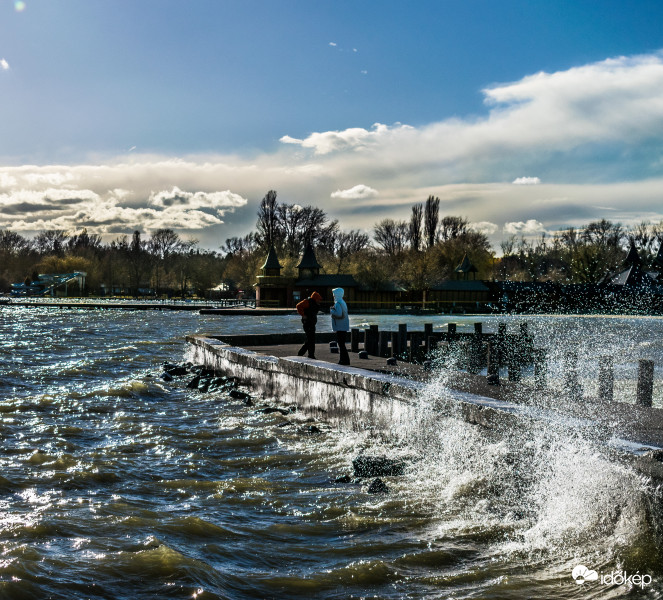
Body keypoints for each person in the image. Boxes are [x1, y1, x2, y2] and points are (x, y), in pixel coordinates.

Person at [296, 291, 322, 359]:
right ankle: (309, 354)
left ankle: (304, 354)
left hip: (312, 323)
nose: (320, 301)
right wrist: (303, 315)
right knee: (311, 340)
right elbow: (298, 306)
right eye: (319, 299)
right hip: (307, 323)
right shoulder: (307, 302)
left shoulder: (315, 304)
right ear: (315, 298)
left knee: (310, 340)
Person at [330, 287, 350, 366]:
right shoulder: (343, 302)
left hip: (340, 326)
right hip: (343, 326)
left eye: (334, 294)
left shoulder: (338, 303)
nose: (334, 296)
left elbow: (338, 314)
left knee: (341, 345)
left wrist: (331, 310)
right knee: (342, 344)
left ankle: (343, 360)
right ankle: (345, 360)